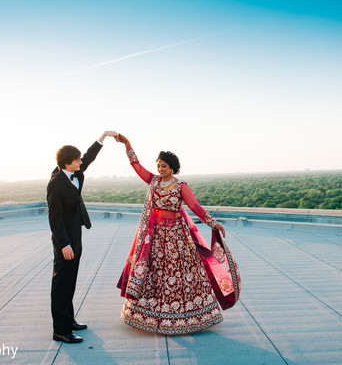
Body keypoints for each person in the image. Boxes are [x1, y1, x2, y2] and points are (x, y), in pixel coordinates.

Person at [115, 133, 231, 335]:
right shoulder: (153, 181)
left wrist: (213, 223)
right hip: (156, 236)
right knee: (154, 273)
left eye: (164, 166)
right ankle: (148, 313)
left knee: (179, 272)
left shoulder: (180, 186)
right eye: (158, 165)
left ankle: (187, 315)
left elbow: (195, 207)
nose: (160, 169)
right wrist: (127, 145)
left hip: (177, 236)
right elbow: (137, 166)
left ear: (172, 168)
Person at [47, 130, 117, 344]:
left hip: (75, 234)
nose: (80, 163)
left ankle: (69, 320)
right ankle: (60, 330)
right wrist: (64, 245)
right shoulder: (56, 183)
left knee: (71, 281)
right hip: (64, 240)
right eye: (77, 160)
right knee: (62, 284)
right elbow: (54, 219)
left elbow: (88, 157)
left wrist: (103, 137)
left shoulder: (75, 172)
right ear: (67, 163)